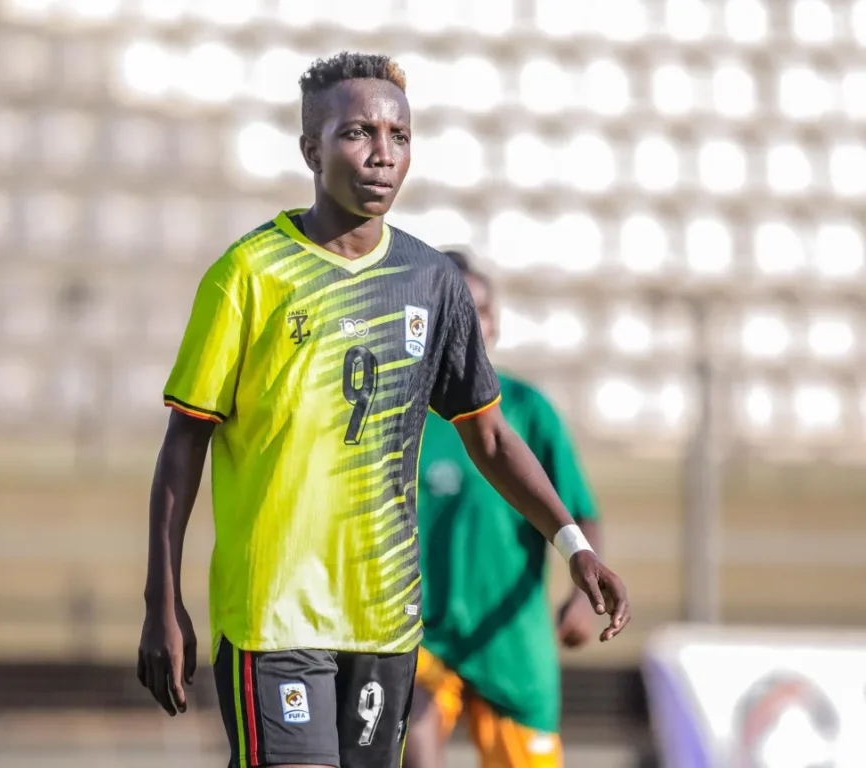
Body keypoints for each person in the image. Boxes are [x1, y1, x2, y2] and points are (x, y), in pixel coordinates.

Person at [136, 51, 630, 768]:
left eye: (399, 136)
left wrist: (575, 546)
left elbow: (490, 439)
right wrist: (162, 599)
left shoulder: (432, 281)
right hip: (275, 618)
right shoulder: (248, 275)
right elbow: (183, 444)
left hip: (385, 623)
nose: (382, 154)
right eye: (357, 133)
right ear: (311, 149)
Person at [403, 250, 603, 768]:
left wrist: (583, 595)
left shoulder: (527, 410)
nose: (471, 325)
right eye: (458, 312)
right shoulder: (400, 409)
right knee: (413, 739)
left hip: (508, 635)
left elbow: (582, 511)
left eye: (482, 311)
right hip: (423, 631)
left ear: (495, 323)